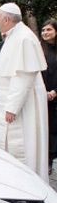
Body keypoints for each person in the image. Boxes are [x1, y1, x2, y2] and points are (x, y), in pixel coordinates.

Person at [0, 3, 48, 181]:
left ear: (6, 19)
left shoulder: (24, 38)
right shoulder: (14, 36)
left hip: (23, 106)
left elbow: (23, 76)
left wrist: (12, 107)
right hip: (12, 103)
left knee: (23, 144)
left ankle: (25, 182)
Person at [41, 20, 57, 173]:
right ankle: (47, 160)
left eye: (49, 30)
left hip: (55, 95)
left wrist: (54, 92)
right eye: (43, 30)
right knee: (46, 128)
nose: (45, 32)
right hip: (42, 95)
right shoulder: (40, 50)